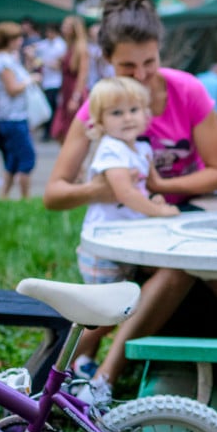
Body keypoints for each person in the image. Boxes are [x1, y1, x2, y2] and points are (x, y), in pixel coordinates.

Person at [43, 0, 217, 402]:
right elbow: (54, 194)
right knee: (168, 269)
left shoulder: (188, 91)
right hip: (128, 222)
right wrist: (106, 188)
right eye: (129, 68)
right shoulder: (99, 106)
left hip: (176, 210)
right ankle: (97, 371)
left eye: (151, 62)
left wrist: (160, 187)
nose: (143, 75)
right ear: (107, 62)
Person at [77, 77, 180, 298]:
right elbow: (125, 193)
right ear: (100, 122)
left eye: (134, 109)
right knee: (103, 308)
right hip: (104, 244)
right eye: (116, 113)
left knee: (126, 301)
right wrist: (159, 211)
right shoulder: (111, 149)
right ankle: (77, 333)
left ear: (146, 114)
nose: (127, 118)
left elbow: (142, 189)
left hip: (127, 239)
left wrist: (153, 200)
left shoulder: (142, 149)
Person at [0, 21, 39, 199]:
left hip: (9, 116)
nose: (20, 41)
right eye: (17, 38)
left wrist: (29, 64)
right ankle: (26, 199)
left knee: (13, 159)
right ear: (8, 40)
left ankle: (4, 197)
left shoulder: (5, 58)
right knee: (27, 158)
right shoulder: (3, 61)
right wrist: (30, 80)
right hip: (13, 117)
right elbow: (13, 88)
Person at [49, 15, 90, 142]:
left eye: (67, 26)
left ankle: (75, 160)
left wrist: (76, 97)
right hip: (66, 91)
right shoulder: (69, 47)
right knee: (60, 130)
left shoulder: (80, 48)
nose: (63, 28)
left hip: (74, 91)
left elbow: (83, 74)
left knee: (70, 131)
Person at [34, 24, 66, 141]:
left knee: (52, 107)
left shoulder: (60, 45)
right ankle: (49, 130)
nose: (48, 35)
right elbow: (34, 48)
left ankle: (51, 131)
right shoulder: (45, 44)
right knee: (49, 106)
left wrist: (43, 62)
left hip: (56, 82)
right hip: (46, 81)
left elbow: (59, 66)